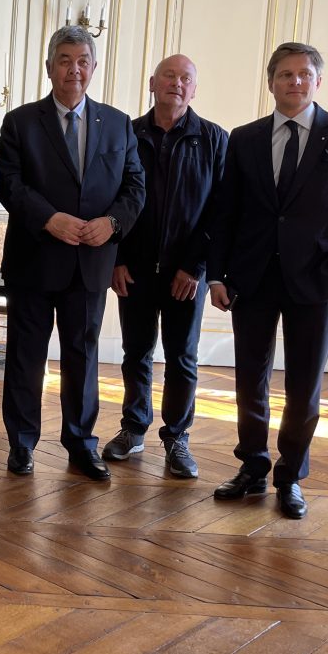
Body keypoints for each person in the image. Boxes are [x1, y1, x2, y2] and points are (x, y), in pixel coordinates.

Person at [208, 42, 328, 519]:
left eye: (304, 74)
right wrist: (217, 275)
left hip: (315, 282)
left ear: (317, 81)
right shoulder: (245, 138)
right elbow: (226, 214)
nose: (294, 82)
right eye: (285, 74)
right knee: (249, 381)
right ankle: (252, 467)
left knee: (304, 386)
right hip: (252, 280)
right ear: (271, 82)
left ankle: (290, 476)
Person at [0, 25, 145, 480]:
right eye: (64, 60)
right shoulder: (20, 121)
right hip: (35, 258)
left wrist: (113, 223)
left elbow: (135, 186)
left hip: (90, 262)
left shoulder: (118, 123)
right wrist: (48, 218)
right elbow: (8, 182)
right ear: (49, 67)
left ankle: (81, 444)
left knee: (82, 355)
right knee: (26, 357)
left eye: (82, 61)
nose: (73, 70)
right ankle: (22, 445)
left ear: (93, 68)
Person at [104, 54, 227, 478]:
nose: (177, 83)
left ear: (194, 90)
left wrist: (194, 267)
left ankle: (177, 438)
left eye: (185, 78)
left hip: (185, 273)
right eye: (169, 76)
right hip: (134, 269)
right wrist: (115, 260)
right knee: (135, 352)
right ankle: (133, 429)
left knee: (182, 357)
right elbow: (111, 199)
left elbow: (220, 212)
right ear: (152, 83)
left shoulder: (213, 139)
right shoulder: (127, 133)